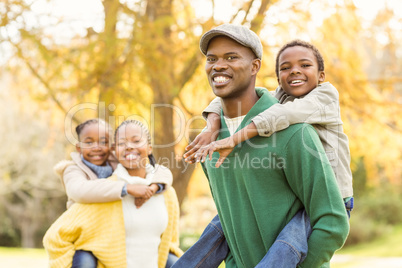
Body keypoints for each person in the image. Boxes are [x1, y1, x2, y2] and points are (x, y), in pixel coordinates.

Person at [174, 24, 349, 267]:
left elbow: (332, 222)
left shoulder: (295, 132)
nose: (218, 65)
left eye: (231, 57)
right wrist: (212, 123)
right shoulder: (209, 143)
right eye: (211, 59)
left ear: (255, 66)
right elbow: (231, 220)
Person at [43, 119, 183, 268]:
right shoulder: (74, 170)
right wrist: (127, 188)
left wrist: (153, 188)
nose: (96, 148)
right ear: (78, 148)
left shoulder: (115, 163)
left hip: (142, 253)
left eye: (103, 142)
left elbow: (160, 170)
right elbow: (79, 191)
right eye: (89, 143)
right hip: (85, 234)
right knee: (85, 260)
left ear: (111, 148)